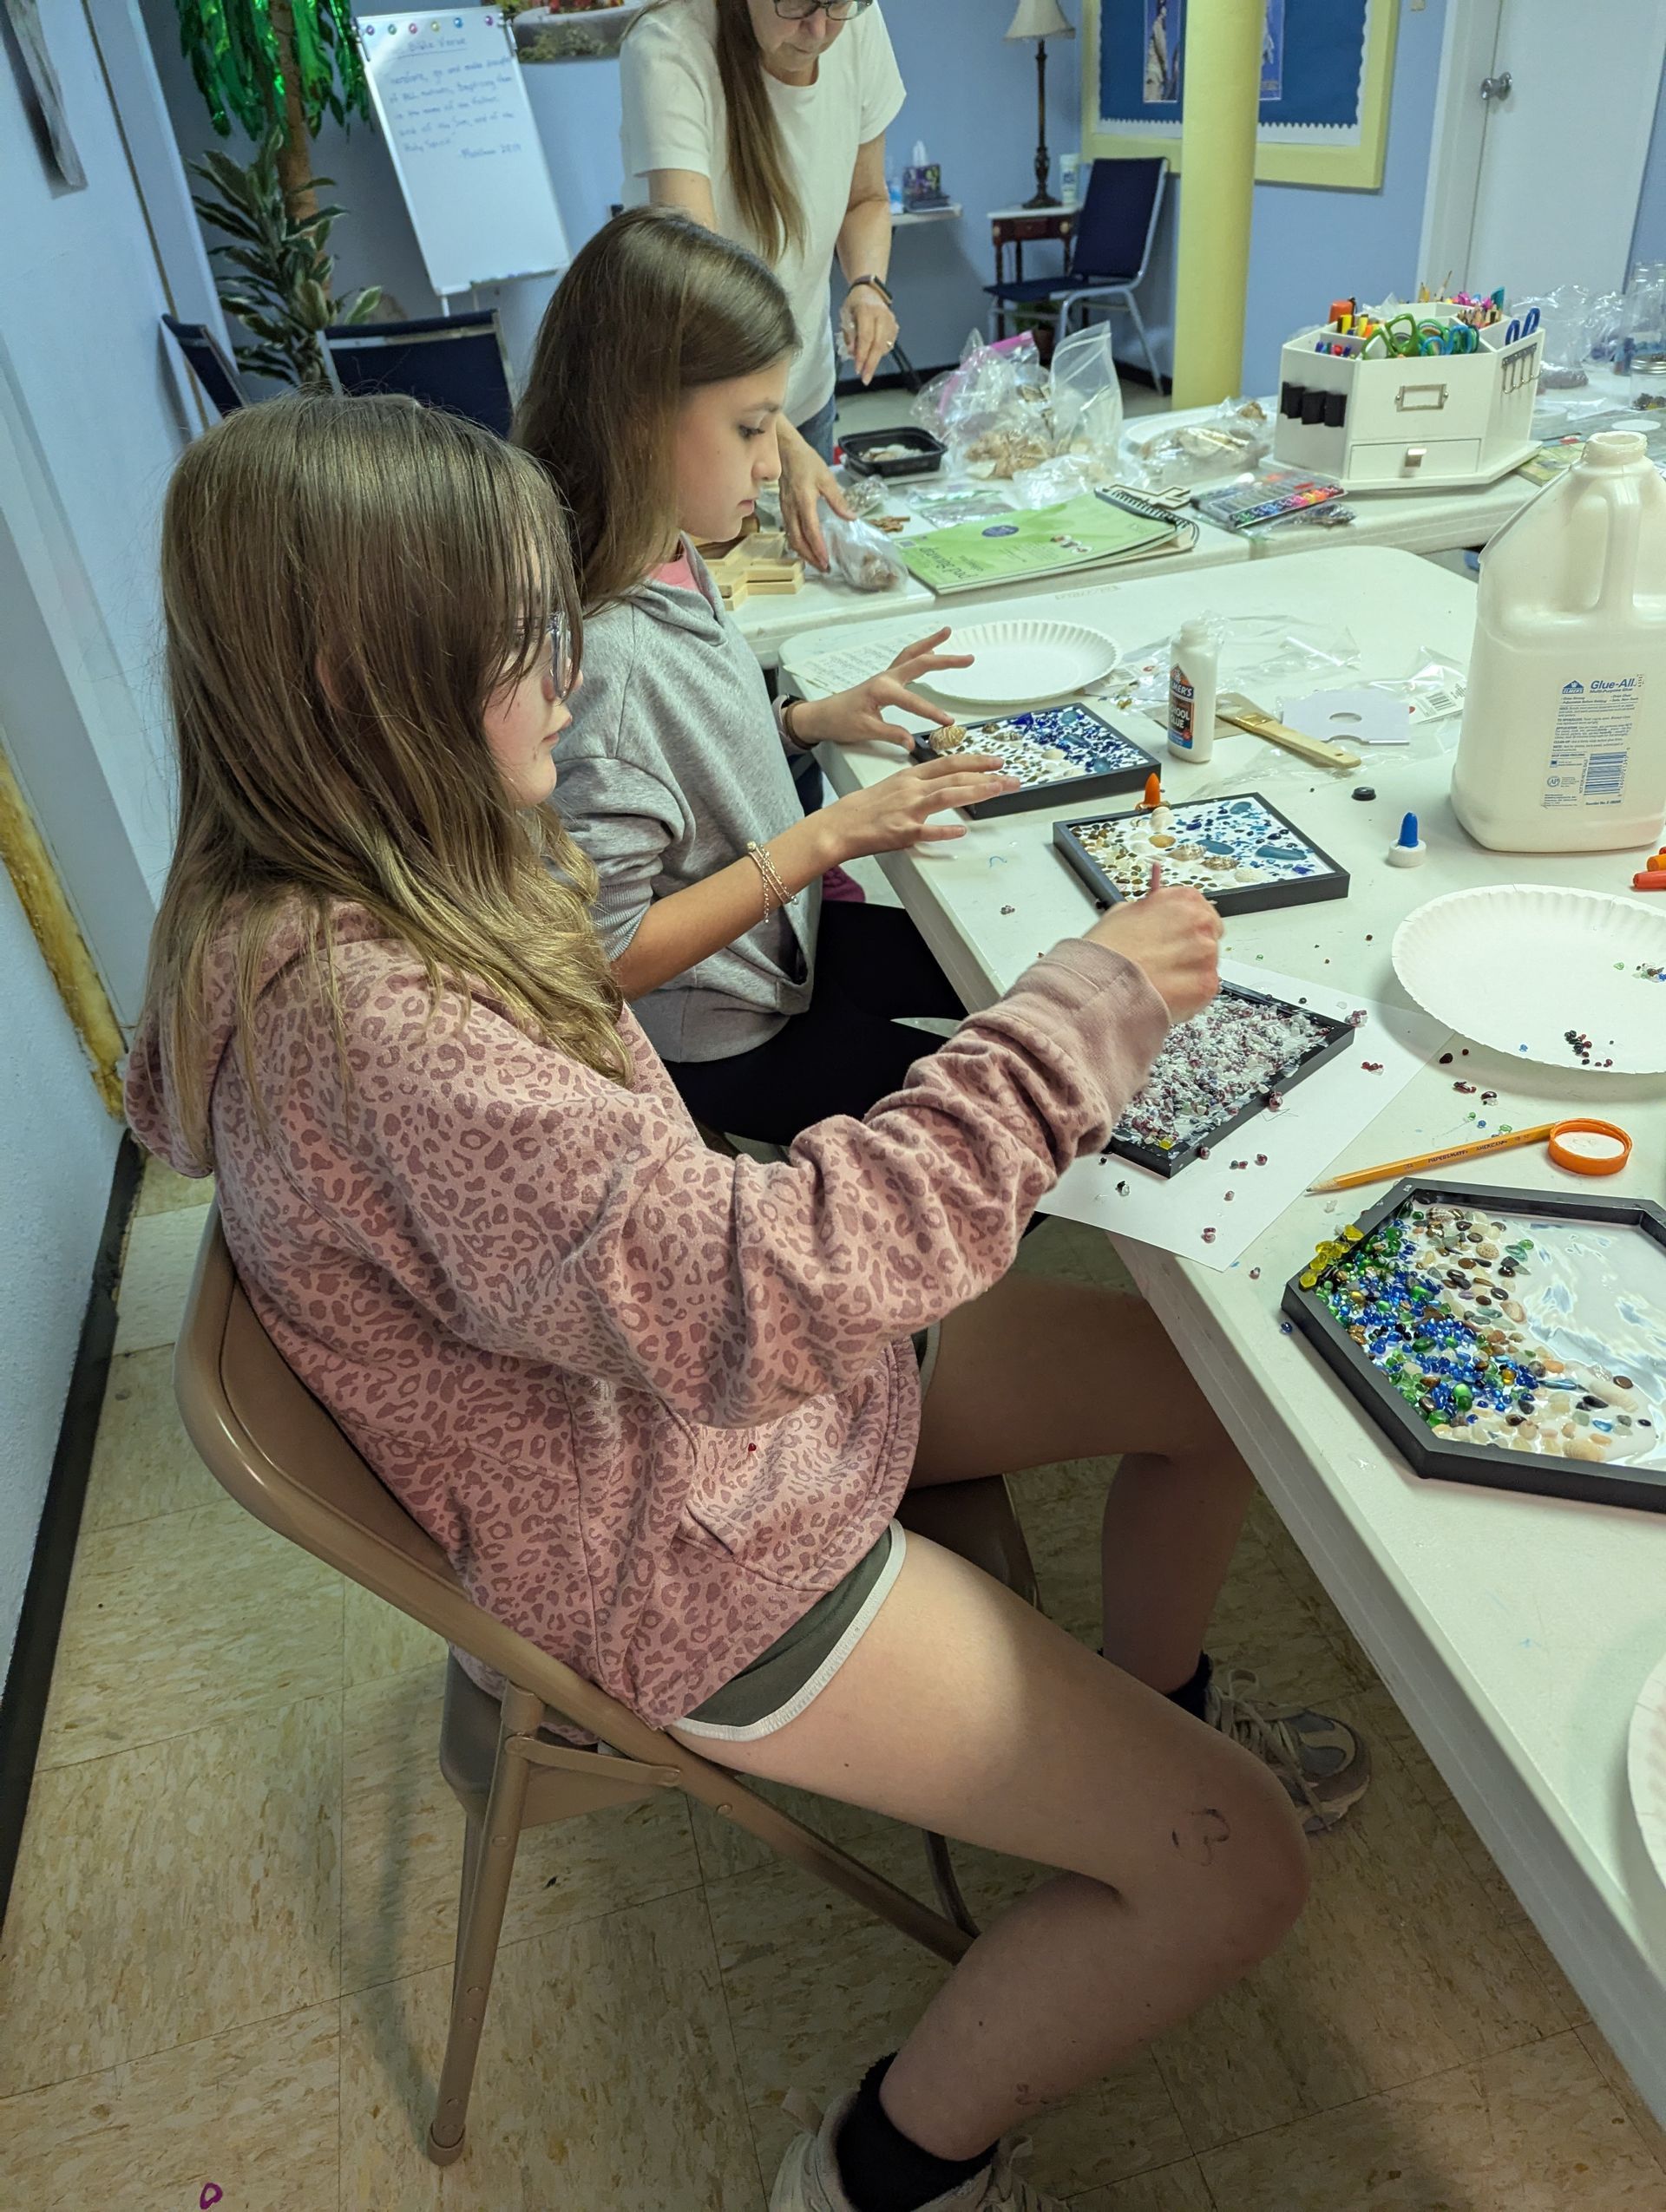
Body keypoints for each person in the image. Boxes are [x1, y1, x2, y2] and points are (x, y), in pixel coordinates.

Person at [128, 392, 1368, 2212]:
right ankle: (878, 2175)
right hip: (683, 1542)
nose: (570, 673)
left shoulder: (344, 891)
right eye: (526, 640)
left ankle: (1148, 1711)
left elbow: (691, 1265)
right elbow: (759, 1300)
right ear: (353, 680)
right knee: (1241, 1868)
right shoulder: (373, 1023)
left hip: (684, 1410)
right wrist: (1073, 1015)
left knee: (1213, 1382)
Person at [517, 206, 1006, 1143]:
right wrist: (830, 835)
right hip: (722, 1036)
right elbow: (606, 962)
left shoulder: (668, 549)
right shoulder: (603, 666)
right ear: (637, 421)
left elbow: (679, 767)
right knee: (989, 1136)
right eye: (751, 429)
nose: (775, 464)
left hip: (782, 949)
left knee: (1008, 968)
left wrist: (803, 723)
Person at [620, 0, 902, 571]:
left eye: (838, 5)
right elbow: (698, 284)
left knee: (809, 581)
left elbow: (866, 199)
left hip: (803, 389)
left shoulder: (859, 23)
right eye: (796, 4)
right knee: (709, 596)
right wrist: (777, 438)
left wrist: (868, 285)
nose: (819, 29)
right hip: (705, 402)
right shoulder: (669, 47)